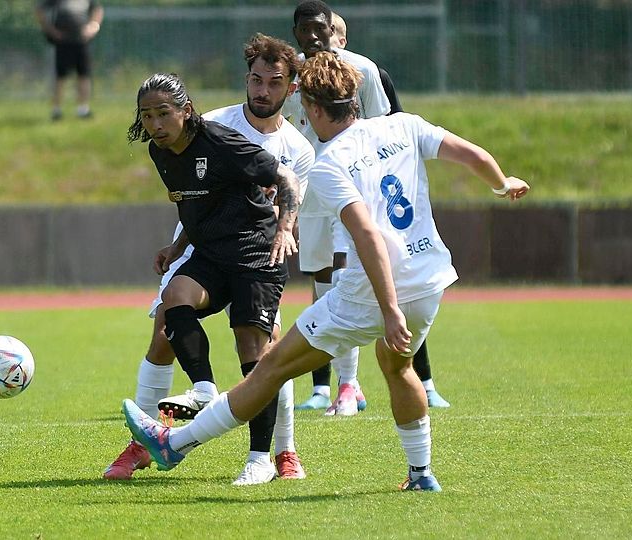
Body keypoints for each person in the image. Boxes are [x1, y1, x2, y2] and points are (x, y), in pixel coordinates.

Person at [122, 51, 530, 490]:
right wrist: (501, 182)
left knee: (269, 368)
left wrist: (388, 309)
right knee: (398, 369)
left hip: (367, 293)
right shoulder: (405, 124)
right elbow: (470, 154)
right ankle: (421, 474)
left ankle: (176, 444)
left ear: (313, 108)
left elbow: (369, 236)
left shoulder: (330, 162)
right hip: (429, 279)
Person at [113, 69, 302, 485]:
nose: (156, 124)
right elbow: (195, 207)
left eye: (164, 113)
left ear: (186, 110)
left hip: (256, 252)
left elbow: (286, 179)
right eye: (147, 116)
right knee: (174, 300)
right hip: (212, 254)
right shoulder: (159, 153)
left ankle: (259, 459)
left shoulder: (219, 142)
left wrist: (286, 228)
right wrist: (177, 249)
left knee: (253, 347)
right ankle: (203, 390)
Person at [329, 10, 451, 408]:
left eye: (330, 32)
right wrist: (500, 182)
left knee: (277, 364)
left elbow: (393, 122)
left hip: (371, 204)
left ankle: (421, 382)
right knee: (332, 278)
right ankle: (333, 387)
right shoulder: (295, 81)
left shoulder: (369, 76)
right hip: (342, 203)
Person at [285, 0, 391, 416]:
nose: (312, 36)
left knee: (348, 275)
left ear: (333, 29)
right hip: (311, 192)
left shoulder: (361, 69)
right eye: (303, 28)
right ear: (294, 31)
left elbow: (382, 127)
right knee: (324, 283)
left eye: (319, 28)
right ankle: (335, 385)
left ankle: (348, 386)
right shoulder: (289, 75)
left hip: (354, 188)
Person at [34, 0, 104, 121]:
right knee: (60, 76)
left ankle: (83, 109)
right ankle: (56, 109)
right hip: (63, 42)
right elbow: (39, 10)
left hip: (81, 41)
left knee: (84, 75)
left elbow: (98, 10)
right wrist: (51, 31)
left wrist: (93, 27)